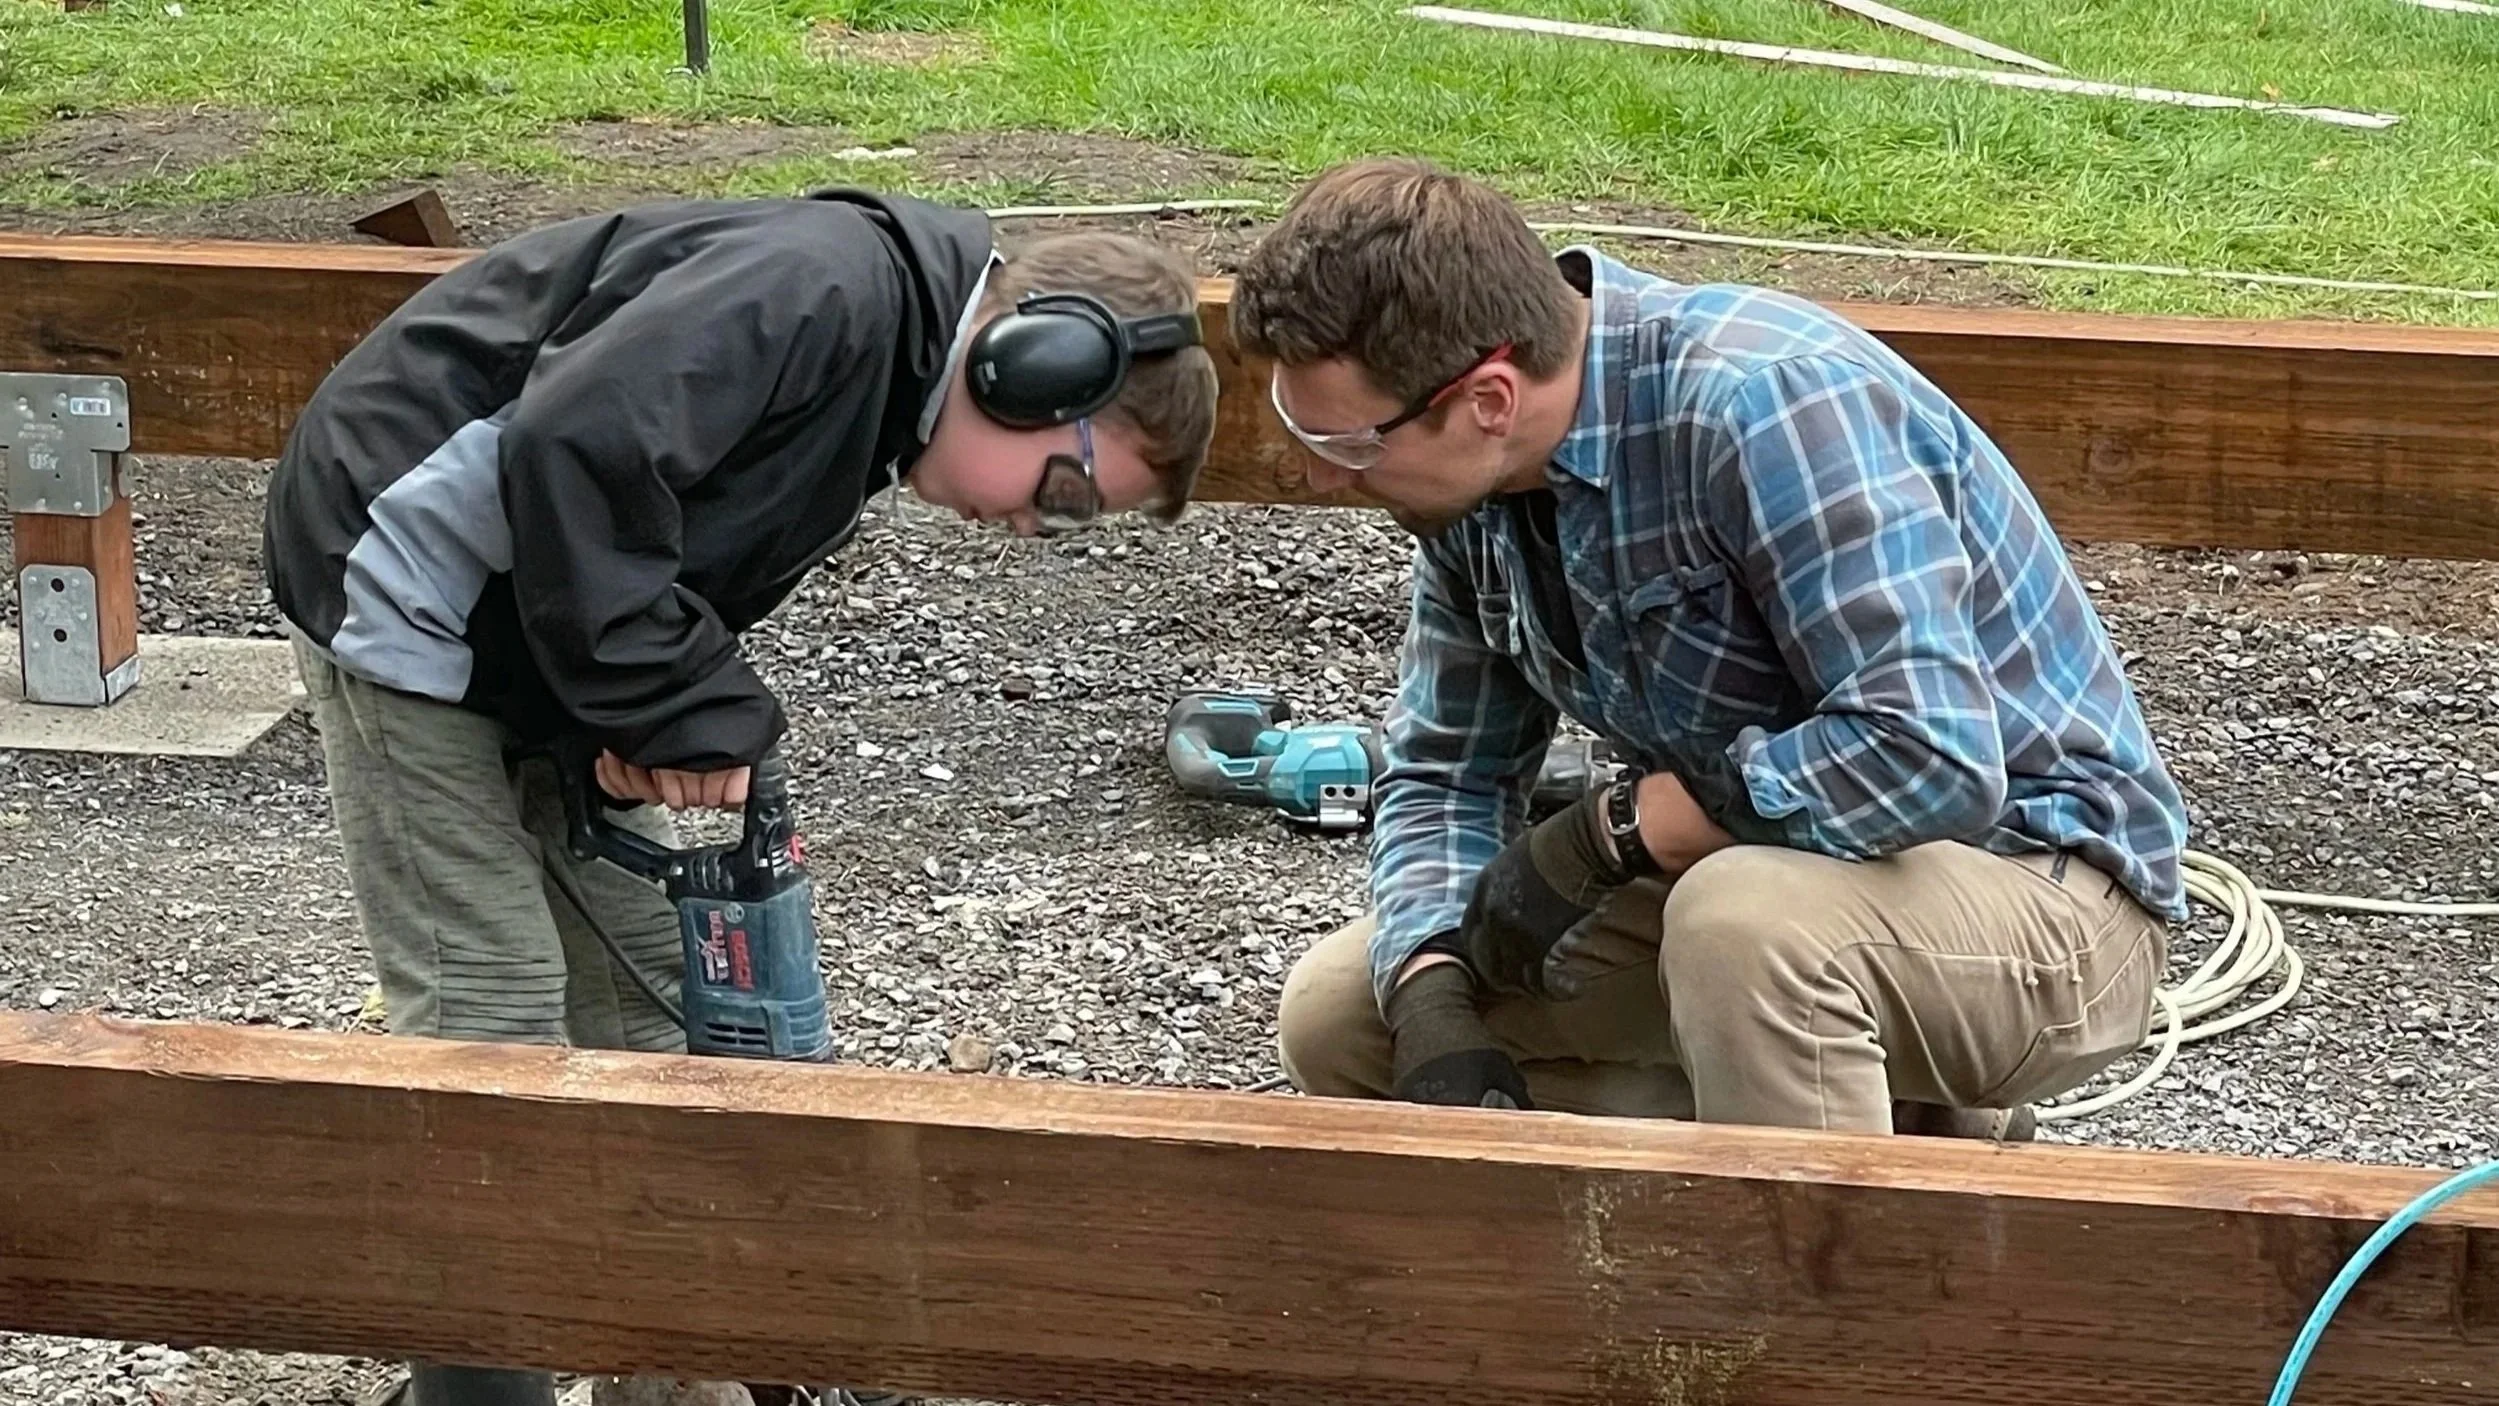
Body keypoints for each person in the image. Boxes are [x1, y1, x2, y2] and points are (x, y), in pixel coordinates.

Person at [263, 188, 1217, 1406]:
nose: (1035, 525)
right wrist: (674, 701)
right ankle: (475, 1391)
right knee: (485, 1016)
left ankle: (678, 1371)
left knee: (667, 1004)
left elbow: (651, 533)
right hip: (403, 584)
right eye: (1067, 493)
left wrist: (631, 708)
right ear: (1032, 368)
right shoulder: (814, 287)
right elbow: (577, 446)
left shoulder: (883, 378)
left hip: (525, 622)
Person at [1232, 158, 2187, 1138]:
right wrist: (1433, 991)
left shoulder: (1768, 404)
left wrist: (1626, 826)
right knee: (1345, 1016)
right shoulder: (1470, 493)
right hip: (1773, 878)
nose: (1314, 475)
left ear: (1488, 399)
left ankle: (1822, 1279)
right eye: (1297, 427)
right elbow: (1447, 772)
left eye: (1346, 444)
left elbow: (1930, 757)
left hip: (2047, 895)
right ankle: (1901, 1137)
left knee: (1739, 926)